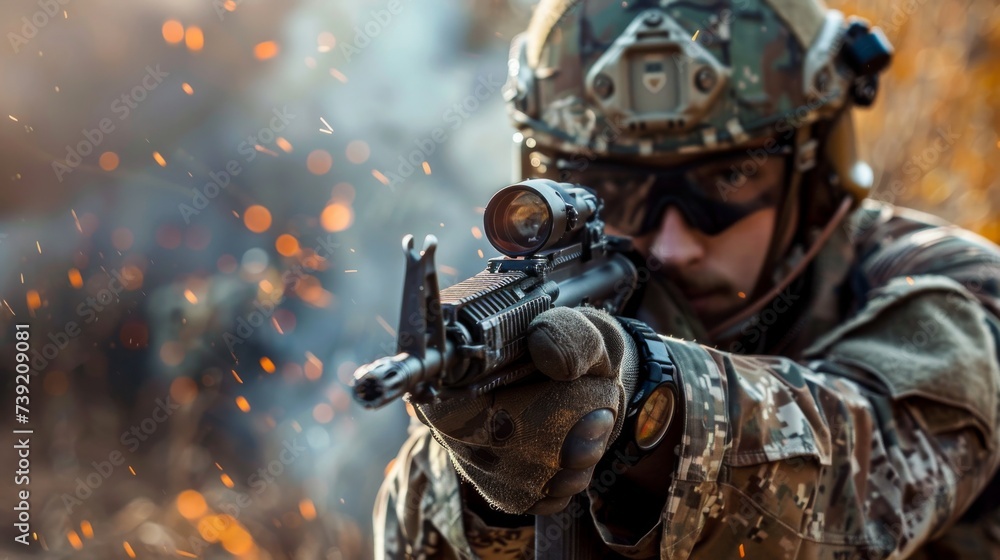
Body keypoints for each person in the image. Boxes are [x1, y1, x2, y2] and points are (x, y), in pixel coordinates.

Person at [373, 0, 1000, 558]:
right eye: (618, 187)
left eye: (725, 181)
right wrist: (481, 482)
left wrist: (651, 406)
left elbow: (873, 485)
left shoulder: (953, 286)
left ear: (813, 174)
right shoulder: (543, 312)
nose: (672, 244)